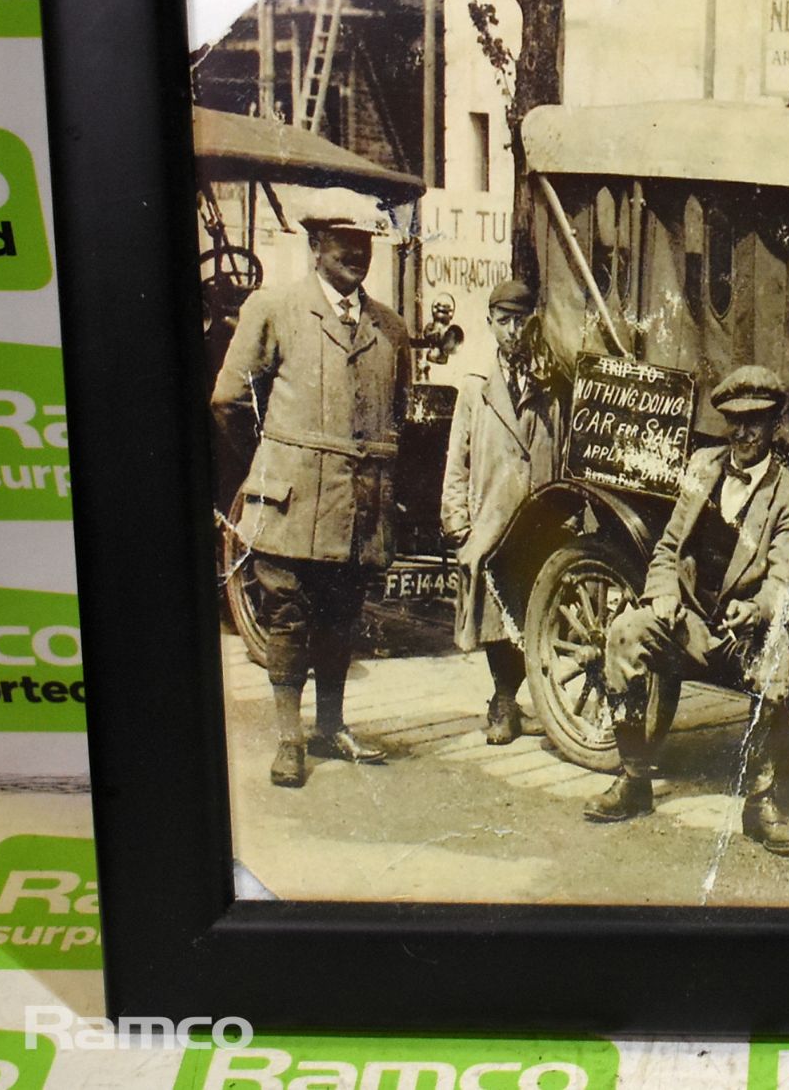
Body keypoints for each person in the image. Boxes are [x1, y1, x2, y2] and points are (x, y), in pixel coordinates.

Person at [211, 191, 408, 789]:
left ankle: (330, 726)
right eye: (342, 240)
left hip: (357, 508)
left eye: (366, 242)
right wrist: (273, 464)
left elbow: (394, 414)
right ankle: (289, 738)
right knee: (288, 614)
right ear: (314, 245)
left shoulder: (390, 327)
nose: (356, 252)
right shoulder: (275, 309)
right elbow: (227, 401)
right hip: (291, 502)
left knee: (342, 616)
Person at [582, 365, 789, 857]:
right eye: (734, 420)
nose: (743, 433)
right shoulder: (703, 467)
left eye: (756, 421)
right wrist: (662, 593)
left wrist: (756, 610)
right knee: (625, 632)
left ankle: (760, 803)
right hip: (683, 622)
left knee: (775, 658)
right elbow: (667, 548)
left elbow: (784, 580)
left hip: (740, 633)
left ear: (775, 426)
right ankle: (634, 779)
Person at [441, 278, 559, 744]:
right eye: (504, 321)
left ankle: (520, 699)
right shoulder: (475, 387)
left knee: (533, 609)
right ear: (490, 324)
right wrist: (456, 518)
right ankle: (504, 701)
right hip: (493, 515)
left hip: (540, 516)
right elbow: (458, 457)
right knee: (495, 612)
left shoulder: (550, 381)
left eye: (521, 321)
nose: (513, 331)